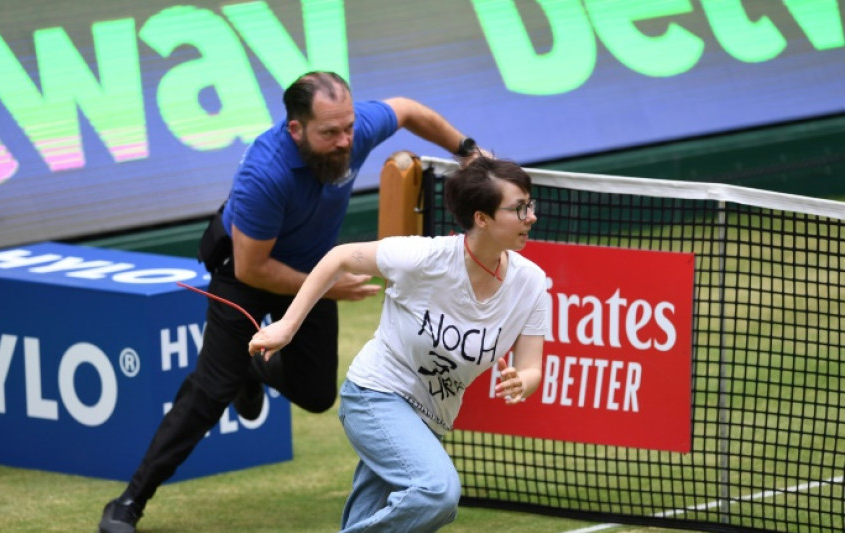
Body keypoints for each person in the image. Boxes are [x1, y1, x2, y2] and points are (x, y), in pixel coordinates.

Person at [99, 71, 484, 533]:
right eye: (330, 133)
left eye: (349, 128)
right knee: (211, 391)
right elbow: (252, 269)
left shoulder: (352, 130)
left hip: (312, 271)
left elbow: (407, 109)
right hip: (245, 275)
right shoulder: (266, 174)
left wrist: (466, 151)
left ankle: (253, 370)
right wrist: (332, 287)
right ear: (296, 129)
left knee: (318, 394)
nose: (346, 141)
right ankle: (129, 500)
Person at [248, 156, 550, 532]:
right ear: (482, 218)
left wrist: (523, 381)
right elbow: (339, 258)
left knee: (372, 518)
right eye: (519, 208)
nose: (531, 216)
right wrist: (288, 326)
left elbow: (532, 367)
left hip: (431, 420)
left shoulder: (531, 283)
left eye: (530, 205)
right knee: (437, 493)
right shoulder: (425, 258)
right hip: (376, 394)